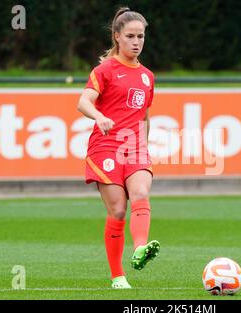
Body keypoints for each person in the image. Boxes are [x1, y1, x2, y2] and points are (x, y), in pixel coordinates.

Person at [77, 7, 159, 289]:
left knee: (140, 192)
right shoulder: (105, 70)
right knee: (118, 211)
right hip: (106, 147)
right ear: (117, 37)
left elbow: (145, 115)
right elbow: (83, 101)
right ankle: (117, 276)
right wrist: (98, 116)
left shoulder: (148, 76)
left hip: (134, 147)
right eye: (130, 36)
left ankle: (139, 248)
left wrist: (144, 146)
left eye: (141, 36)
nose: (137, 42)